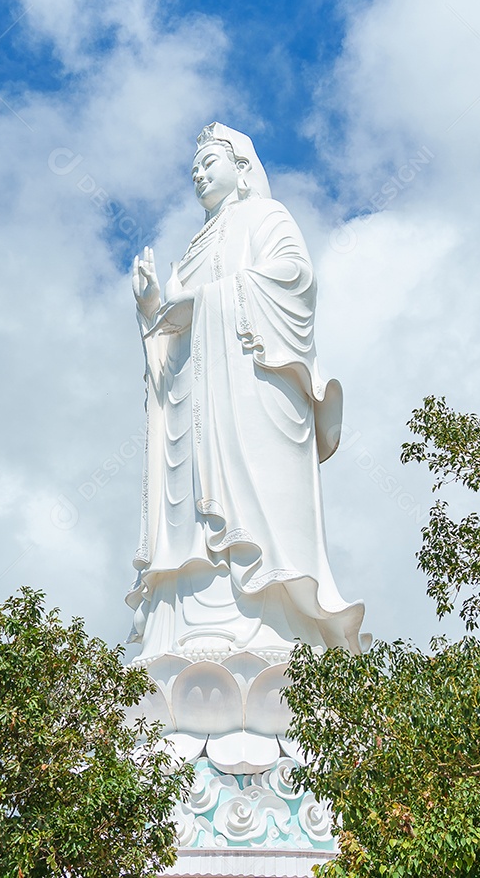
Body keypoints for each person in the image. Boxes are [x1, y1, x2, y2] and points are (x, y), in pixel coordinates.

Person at [127, 123, 367, 663]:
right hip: (195, 400)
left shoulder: (265, 216)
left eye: (209, 160)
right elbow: (171, 345)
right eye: (194, 164)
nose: (198, 171)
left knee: (257, 511)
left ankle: (274, 636)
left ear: (241, 169)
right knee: (191, 519)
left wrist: (209, 300)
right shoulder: (191, 247)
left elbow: (295, 278)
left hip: (250, 387)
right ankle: (182, 635)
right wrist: (152, 313)